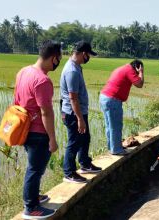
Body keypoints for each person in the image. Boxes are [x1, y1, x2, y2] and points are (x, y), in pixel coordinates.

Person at [13, 40, 61, 219]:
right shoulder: (42, 80)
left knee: (35, 167)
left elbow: (16, 100)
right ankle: (31, 206)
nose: (58, 63)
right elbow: (46, 113)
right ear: (54, 58)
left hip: (25, 128)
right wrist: (53, 140)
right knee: (35, 169)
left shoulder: (24, 71)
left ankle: (34, 196)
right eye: (58, 59)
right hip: (38, 133)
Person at [60, 41, 102, 184]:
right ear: (83, 53)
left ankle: (85, 163)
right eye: (89, 55)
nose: (88, 58)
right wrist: (79, 118)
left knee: (85, 138)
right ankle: (69, 172)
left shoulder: (76, 67)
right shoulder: (72, 71)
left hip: (78, 111)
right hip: (73, 113)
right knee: (74, 142)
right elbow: (73, 97)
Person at [100, 60, 144, 155]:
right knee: (116, 126)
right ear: (137, 67)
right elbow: (139, 84)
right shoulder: (130, 70)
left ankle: (112, 147)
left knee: (109, 125)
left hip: (104, 97)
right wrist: (141, 72)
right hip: (112, 100)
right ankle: (116, 150)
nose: (137, 74)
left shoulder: (122, 68)